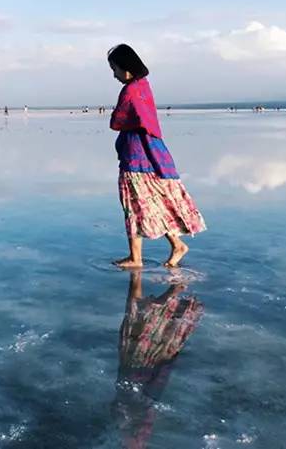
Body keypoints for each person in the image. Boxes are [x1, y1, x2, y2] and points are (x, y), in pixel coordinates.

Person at [108, 44, 206, 269]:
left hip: (135, 158)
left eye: (114, 69)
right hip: (151, 155)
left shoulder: (131, 91)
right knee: (154, 203)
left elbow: (116, 121)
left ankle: (136, 257)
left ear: (127, 68)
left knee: (133, 206)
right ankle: (176, 244)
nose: (114, 75)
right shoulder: (143, 86)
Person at [113, 271, 203, 448]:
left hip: (138, 368)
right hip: (139, 366)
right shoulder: (138, 425)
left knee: (135, 317)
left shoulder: (138, 423)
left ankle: (165, 287)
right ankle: (169, 289)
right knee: (135, 317)